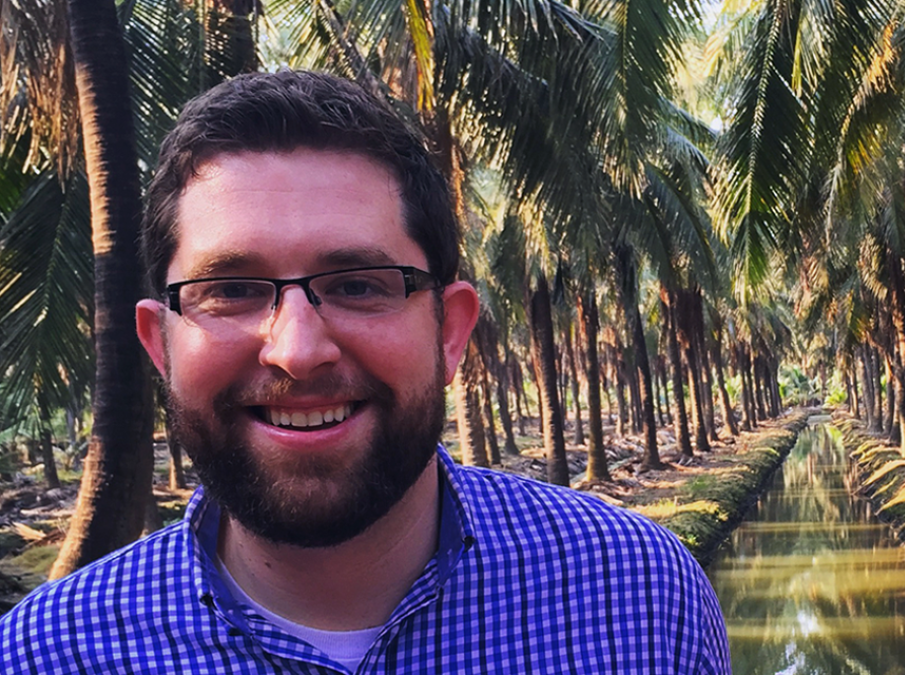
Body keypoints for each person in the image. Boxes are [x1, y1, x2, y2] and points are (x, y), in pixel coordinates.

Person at [0, 71, 730, 674]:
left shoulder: (641, 598)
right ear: (161, 346)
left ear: (449, 330)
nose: (296, 349)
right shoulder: (48, 654)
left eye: (358, 284)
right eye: (231, 289)